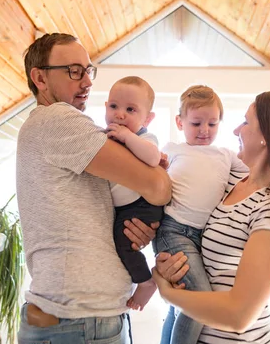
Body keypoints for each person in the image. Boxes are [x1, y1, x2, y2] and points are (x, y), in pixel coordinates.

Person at [16, 33, 171, 344]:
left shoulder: (54, 128)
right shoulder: (60, 120)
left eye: (89, 70)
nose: (86, 81)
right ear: (40, 78)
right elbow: (158, 188)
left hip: (76, 318)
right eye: (74, 71)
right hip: (81, 322)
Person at [153, 91, 270, 343]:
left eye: (245, 122)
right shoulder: (233, 181)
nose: (234, 131)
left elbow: (239, 314)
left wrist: (168, 294)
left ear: (266, 136)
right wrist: (168, 261)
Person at [153, 85, 248, 344]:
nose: (205, 130)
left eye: (212, 123)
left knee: (180, 305)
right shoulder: (171, 150)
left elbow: (254, 173)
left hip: (202, 237)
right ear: (179, 122)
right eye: (196, 123)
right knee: (198, 301)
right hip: (173, 231)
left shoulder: (226, 155)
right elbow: (151, 181)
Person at [105, 76, 164, 311]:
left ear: (147, 119)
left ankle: (146, 281)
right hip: (124, 207)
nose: (120, 114)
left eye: (130, 109)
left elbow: (152, 158)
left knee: (122, 242)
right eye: (113, 106)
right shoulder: (105, 135)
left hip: (141, 205)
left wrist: (128, 137)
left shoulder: (143, 137)